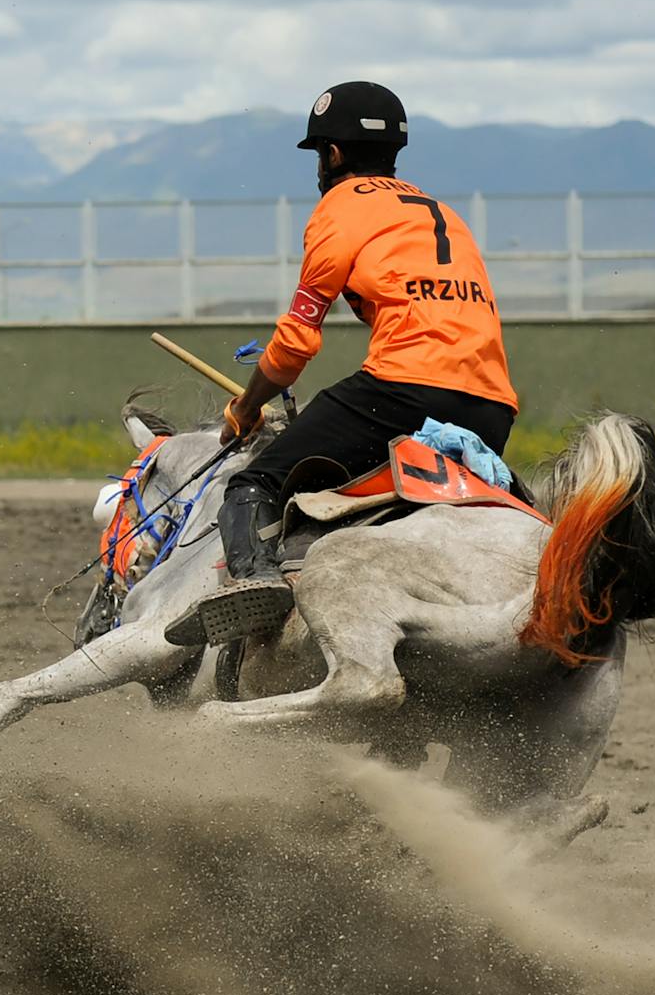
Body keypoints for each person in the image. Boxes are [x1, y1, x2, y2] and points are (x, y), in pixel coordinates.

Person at [166, 81, 519, 649]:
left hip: (402, 393)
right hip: (493, 408)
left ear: (331, 155)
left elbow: (296, 342)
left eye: (319, 155)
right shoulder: (443, 212)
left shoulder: (340, 208)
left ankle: (255, 588)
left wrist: (245, 407)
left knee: (252, 483)